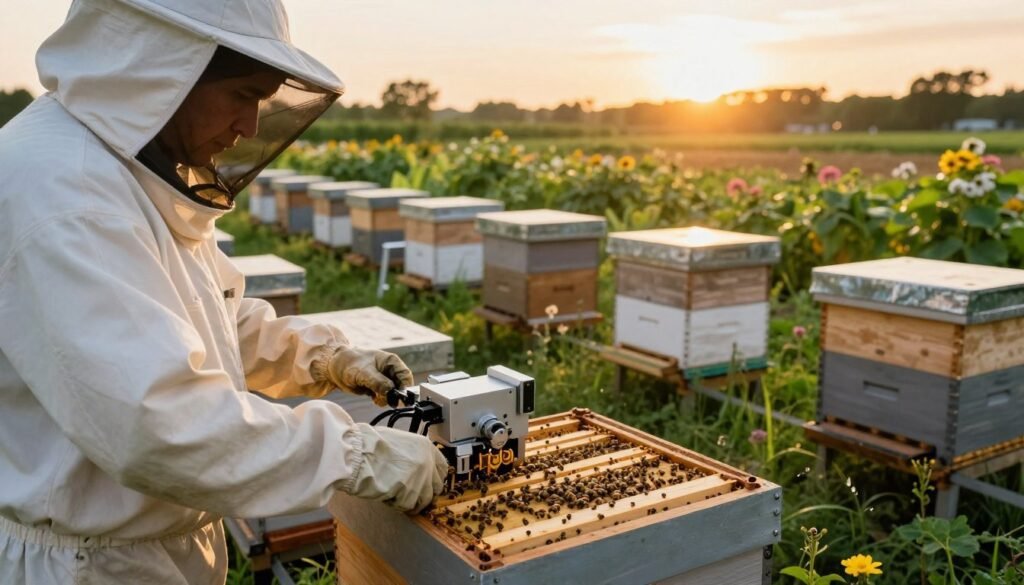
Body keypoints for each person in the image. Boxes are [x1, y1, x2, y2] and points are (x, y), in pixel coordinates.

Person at [0, 0, 448, 583]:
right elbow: (159, 424)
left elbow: (208, 315)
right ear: (160, 69)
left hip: (146, 544)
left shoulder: (122, 170)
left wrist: (322, 356)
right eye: (243, 94)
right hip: (89, 563)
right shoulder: (67, 196)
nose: (252, 126)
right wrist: (353, 454)